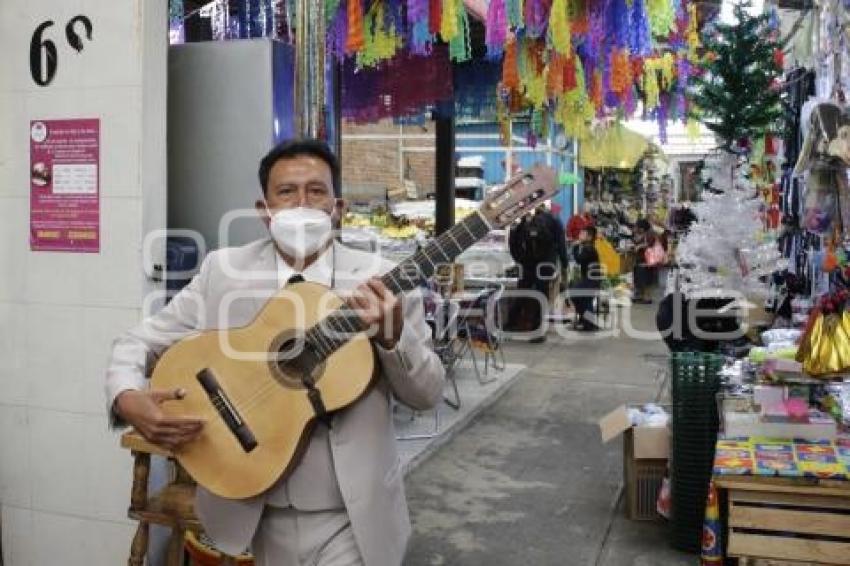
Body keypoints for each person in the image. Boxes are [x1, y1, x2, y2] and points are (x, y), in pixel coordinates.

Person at [105, 139, 445, 566]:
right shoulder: (223, 272)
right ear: (265, 210)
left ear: (337, 208)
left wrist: (395, 340)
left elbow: (427, 393)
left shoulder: (381, 283)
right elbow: (137, 343)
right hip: (252, 507)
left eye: (316, 191)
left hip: (352, 517)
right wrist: (127, 397)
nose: (302, 203)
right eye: (287, 192)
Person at [508, 204, 569, 342]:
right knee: (542, 295)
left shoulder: (524, 220)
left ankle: (511, 323)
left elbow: (513, 241)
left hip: (527, 262)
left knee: (522, 292)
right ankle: (538, 331)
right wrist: (564, 263)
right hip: (546, 263)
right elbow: (561, 243)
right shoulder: (554, 219)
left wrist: (519, 259)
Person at [570, 226, 602, 331]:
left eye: (582, 234)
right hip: (589, 279)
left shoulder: (589, 248)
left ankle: (589, 323)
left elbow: (579, 259)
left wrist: (574, 247)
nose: (579, 236)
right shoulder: (588, 247)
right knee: (579, 296)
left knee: (578, 295)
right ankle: (587, 321)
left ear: (589, 237)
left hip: (592, 281)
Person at [633, 218, 658, 304]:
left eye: (637, 226)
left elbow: (650, 244)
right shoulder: (643, 234)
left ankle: (647, 298)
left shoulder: (650, 234)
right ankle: (641, 296)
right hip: (642, 260)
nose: (635, 228)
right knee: (641, 278)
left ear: (642, 227)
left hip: (647, 261)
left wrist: (640, 246)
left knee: (646, 279)